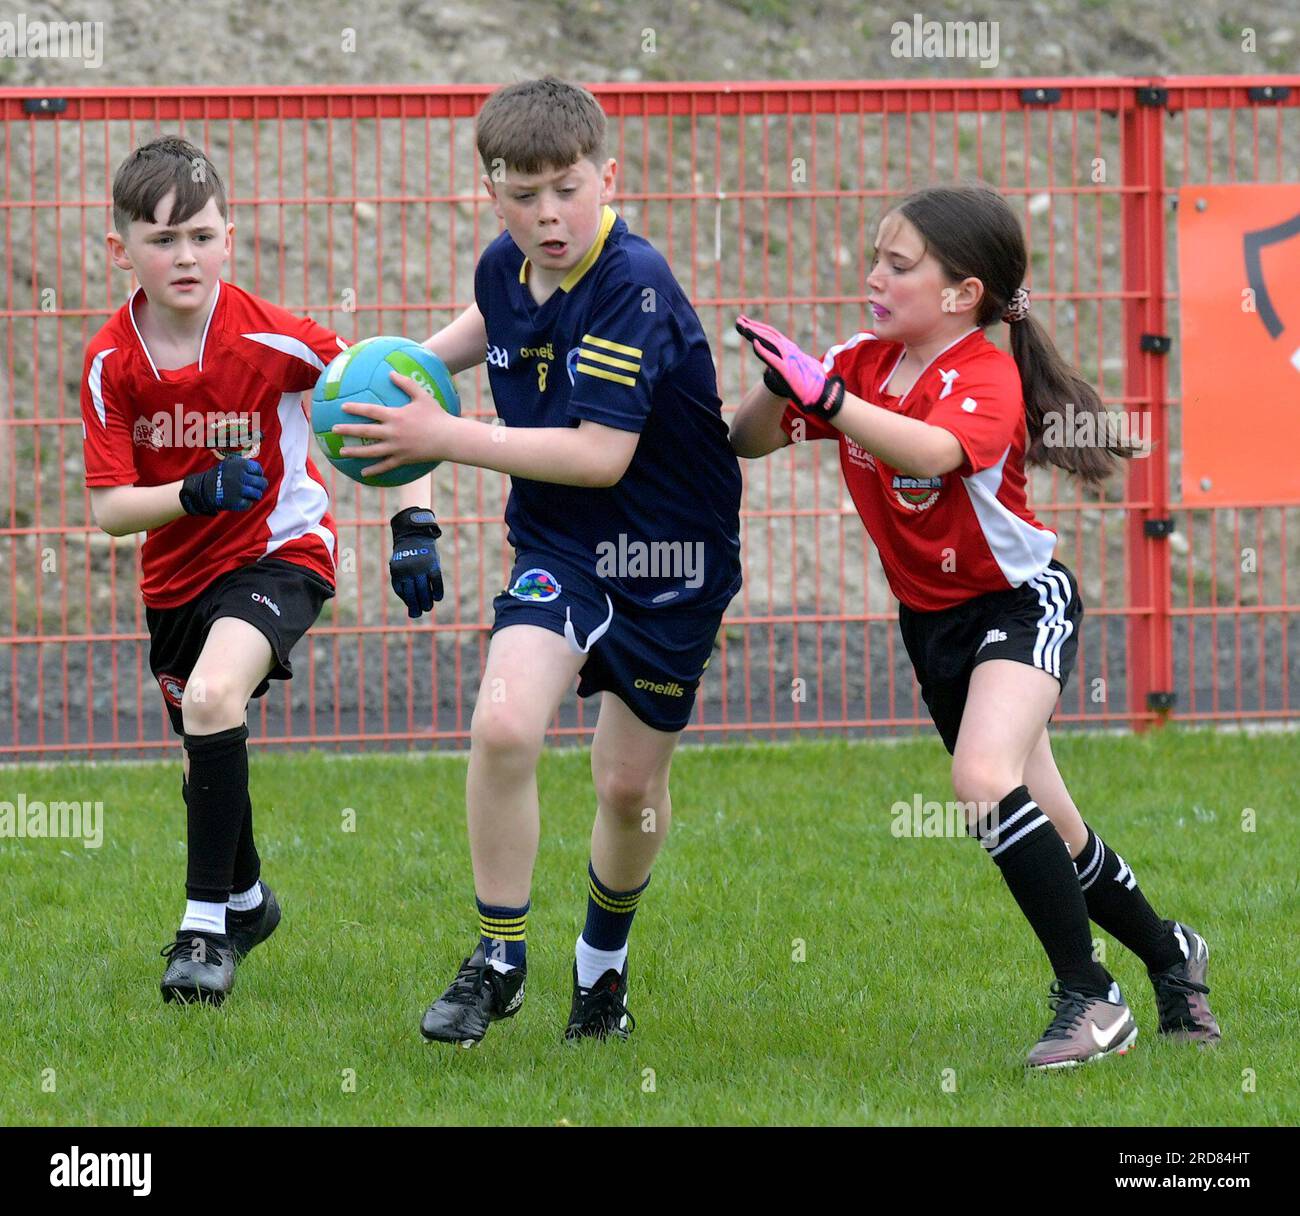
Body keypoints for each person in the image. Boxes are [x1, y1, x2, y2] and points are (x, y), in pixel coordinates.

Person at [729, 182, 1219, 1069]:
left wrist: (828, 398)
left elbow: (931, 453)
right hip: (935, 627)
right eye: (875, 255)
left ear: (963, 295)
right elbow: (749, 440)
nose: (873, 274)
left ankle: (1092, 999)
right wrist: (780, 387)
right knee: (1057, 832)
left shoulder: (986, 376)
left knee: (984, 781)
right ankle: (1171, 955)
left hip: (1020, 606)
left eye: (899, 263)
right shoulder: (861, 361)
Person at [333, 77, 743, 1046]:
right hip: (560, 549)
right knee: (506, 723)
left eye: (566, 188)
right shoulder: (502, 271)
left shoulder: (633, 285)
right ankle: (499, 954)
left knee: (627, 788)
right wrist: (415, 518)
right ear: (493, 191)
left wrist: (444, 435)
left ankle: (600, 972)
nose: (547, 214)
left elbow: (599, 456)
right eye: (523, 194)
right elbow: (406, 386)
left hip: (670, 564)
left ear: (608, 175)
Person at [80, 137, 350, 1005]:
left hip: (280, 555)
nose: (184, 256)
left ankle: (203, 933)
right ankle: (245, 899)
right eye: (161, 240)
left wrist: (415, 517)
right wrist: (193, 491)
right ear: (121, 250)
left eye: (200, 235)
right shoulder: (111, 362)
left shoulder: (273, 338)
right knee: (204, 757)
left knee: (209, 699)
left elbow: (392, 387)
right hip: (175, 584)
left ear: (229, 236)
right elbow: (111, 509)